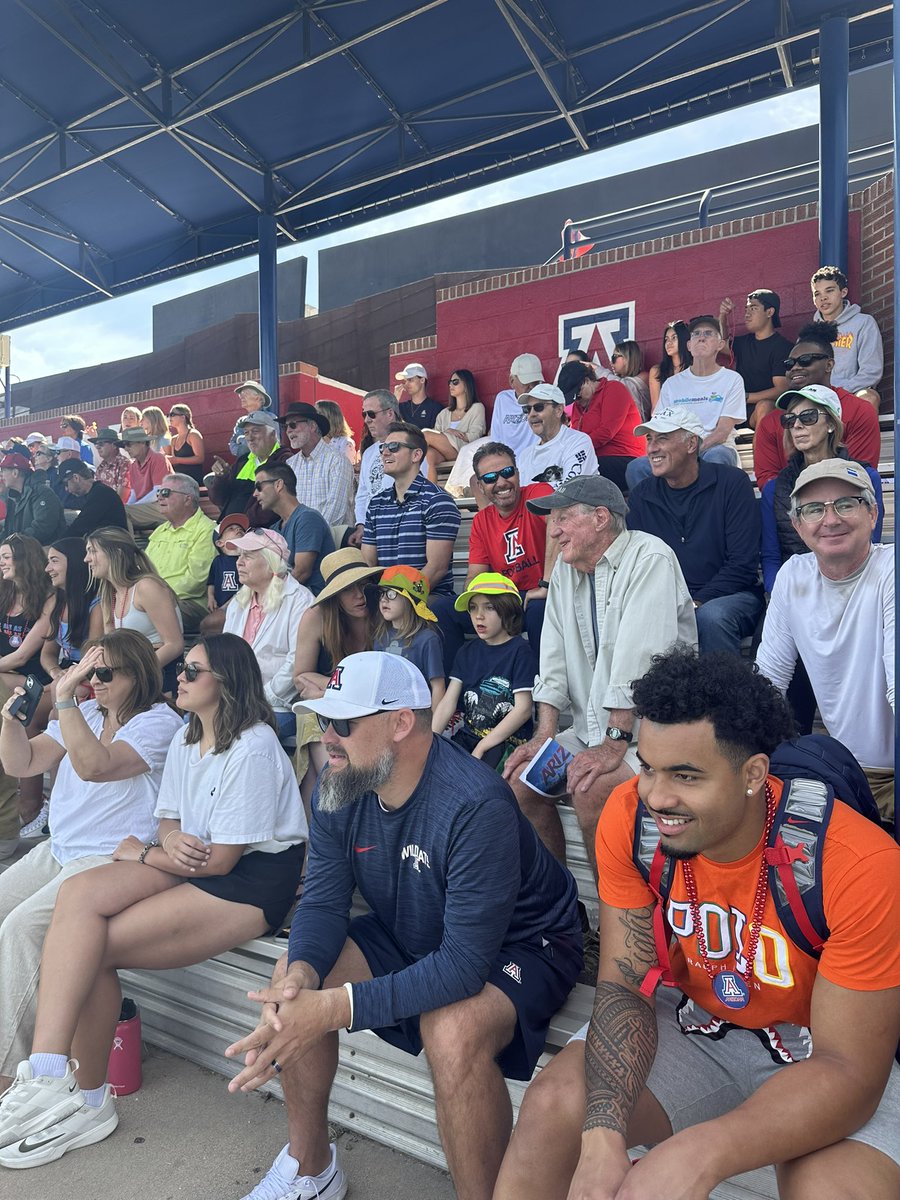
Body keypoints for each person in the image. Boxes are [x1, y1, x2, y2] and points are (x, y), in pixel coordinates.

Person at [493, 648, 900, 1200]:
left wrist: (700, 1152)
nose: (658, 797)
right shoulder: (633, 821)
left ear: (754, 773)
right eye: (649, 767)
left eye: (686, 775)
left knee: (838, 1190)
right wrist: (602, 1135)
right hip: (697, 1020)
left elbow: (849, 1069)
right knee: (552, 1112)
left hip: (821, 1048)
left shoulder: (856, 863)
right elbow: (622, 983)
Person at [223, 651, 582, 1200]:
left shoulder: (473, 802)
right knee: (295, 979)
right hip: (419, 924)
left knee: (452, 1030)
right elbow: (320, 902)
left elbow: (462, 966)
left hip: (526, 942)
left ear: (401, 722)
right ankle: (310, 1168)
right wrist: (299, 979)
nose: (328, 738)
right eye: (323, 720)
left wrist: (334, 1008)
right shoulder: (339, 784)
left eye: (343, 723)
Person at [0, 635, 308, 1169]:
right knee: (79, 904)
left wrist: (146, 854)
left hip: (249, 884)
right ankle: (56, 1075)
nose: (180, 678)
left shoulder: (253, 745)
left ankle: (84, 1095)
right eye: (182, 669)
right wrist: (162, 841)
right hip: (183, 856)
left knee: (87, 942)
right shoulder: (189, 737)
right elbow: (170, 819)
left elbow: (221, 863)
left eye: (192, 671)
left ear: (227, 682)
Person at [0, 632, 184, 1093]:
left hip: (108, 859)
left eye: (104, 673)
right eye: (88, 671)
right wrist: (9, 723)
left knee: (21, 929)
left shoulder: (158, 723)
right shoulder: (82, 712)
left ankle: (10, 1076)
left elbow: (95, 765)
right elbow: (22, 764)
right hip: (59, 849)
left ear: (137, 674)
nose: (93, 683)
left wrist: (63, 698)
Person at [501, 476, 696, 881]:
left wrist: (614, 743)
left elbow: (638, 662)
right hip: (596, 729)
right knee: (521, 784)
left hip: (653, 735)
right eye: (552, 520)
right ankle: (563, 913)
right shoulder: (566, 571)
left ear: (601, 518)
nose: (552, 531)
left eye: (563, 518)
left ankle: (615, 919)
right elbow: (551, 657)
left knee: (591, 790)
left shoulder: (649, 557)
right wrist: (545, 734)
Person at [755, 459, 895, 822]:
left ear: (873, 513)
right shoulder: (793, 576)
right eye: (814, 509)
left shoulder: (891, 569)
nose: (830, 520)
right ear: (799, 526)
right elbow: (767, 680)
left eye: (846, 504)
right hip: (842, 773)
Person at [627, 407, 764, 656]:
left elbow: (742, 565)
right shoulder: (641, 495)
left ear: (691, 444)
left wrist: (695, 602)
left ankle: (724, 695)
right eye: (649, 439)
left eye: (662, 438)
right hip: (669, 599)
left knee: (711, 617)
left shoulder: (732, 483)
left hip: (731, 595)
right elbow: (638, 565)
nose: (652, 448)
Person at [761, 384, 883, 594]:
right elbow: (771, 557)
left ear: (831, 424)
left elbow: (871, 544)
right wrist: (781, 598)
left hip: (854, 590)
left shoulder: (866, 478)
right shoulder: (774, 488)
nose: (797, 426)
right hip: (796, 591)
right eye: (790, 420)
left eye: (808, 417)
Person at [361, 422, 462, 674]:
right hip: (386, 595)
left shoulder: (438, 501)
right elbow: (368, 564)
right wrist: (385, 597)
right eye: (383, 447)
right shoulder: (376, 504)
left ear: (417, 455)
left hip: (427, 595)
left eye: (393, 447)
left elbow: (436, 569)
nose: (385, 452)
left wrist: (400, 599)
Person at [752, 320, 882, 488]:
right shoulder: (771, 422)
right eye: (789, 364)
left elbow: (860, 473)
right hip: (789, 506)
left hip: (845, 502)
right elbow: (768, 481)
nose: (795, 367)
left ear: (829, 365)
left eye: (805, 360)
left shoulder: (859, 410)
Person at [627, 315, 745, 490]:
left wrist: (690, 454)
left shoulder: (731, 379)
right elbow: (658, 426)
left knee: (718, 457)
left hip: (713, 448)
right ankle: (659, 515)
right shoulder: (672, 384)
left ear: (720, 345)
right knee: (636, 468)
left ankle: (708, 515)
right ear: (689, 345)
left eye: (709, 333)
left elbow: (722, 432)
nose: (701, 337)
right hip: (675, 450)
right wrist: (675, 453)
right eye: (696, 334)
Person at [432, 573, 536, 769]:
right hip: (469, 736)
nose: (479, 615)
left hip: (505, 742)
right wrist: (431, 741)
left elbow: (523, 710)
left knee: (481, 779)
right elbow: (448, 701)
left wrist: (482, 746)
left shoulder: (520, 651)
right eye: (473, 608)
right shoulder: (467, 651)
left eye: (489, 607)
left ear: (509, 611)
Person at [223, 528, 313, 744]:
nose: (239, 562)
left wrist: (261, 699)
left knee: (239, 736)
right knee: (192, 723)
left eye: (248, 556)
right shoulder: (238, 601)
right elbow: (223, 654)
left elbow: (295, 662)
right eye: (239, 556)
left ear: (272, 562)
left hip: (278, 706)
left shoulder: (300, 600)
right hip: (235, 701)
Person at [466, 442, 557, 651]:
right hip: (505, 598)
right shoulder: (481, 521)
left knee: (537, 610)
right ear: (480, 486)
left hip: (546, 591)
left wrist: (546, 585)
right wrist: (484, 602)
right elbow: (474, 576)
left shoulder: (537, 492)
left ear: (517, 473)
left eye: (507, 472)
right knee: (443, 611)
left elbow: (556, 520)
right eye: (490, 478)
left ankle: (540, 679)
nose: (501, 482)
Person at [0, 534, 55, 831]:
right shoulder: (4, 593)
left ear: (25, 560)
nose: (1, 563)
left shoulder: (48, 598)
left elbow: (22, 656)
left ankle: (31, 807)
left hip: (35, 681)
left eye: (7, 557)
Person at [86, 528, 184, 694]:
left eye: (92, 551)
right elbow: (111, 646)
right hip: (128, 672)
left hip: (160, 673)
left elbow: (175, 644)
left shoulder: (146, 587)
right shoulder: (110, 593)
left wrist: (135, 674)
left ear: (115, 554)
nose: (86, 559)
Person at [292, 548, 380, 702]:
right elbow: (301, 677)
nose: (359, 595)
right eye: (347, 589)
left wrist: (329, 691)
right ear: (334, 596)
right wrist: (344, 690)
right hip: (331, 705)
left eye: (363, 585)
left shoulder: (385, 610)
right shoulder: (315, 617)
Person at [348, 390, 426, 547]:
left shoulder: (411, 445)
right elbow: (363, 494)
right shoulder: (370, 452)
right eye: (364, 415)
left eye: (371, 414)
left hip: (403, 530)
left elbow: (421, 488)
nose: (367, 420)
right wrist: (362, 525)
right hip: (372, 532)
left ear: (390, 413)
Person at [145, 474, 216, 632]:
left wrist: (156, 597)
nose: (159, 498)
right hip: (153, 599)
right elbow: (142, 569)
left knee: (144, 616)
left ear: (187, 499)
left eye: (166, 493)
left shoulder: (206, 530)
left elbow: (195, 582)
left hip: (187, 603)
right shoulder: (160, 531)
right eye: (159, 493)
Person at [557, 361, 643, 491]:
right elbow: (575, 436)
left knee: (583, 471)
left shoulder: (614, 388)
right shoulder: (578, 406)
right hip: (594, 458)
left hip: (626, 457)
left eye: (578, 393)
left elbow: (606, 431)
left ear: (587, 380)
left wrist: (577, 448)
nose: (576, 399)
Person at [253, 461, 334, 594]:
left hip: (312, 602)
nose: (255, 494)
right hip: (287, 599)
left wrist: (266, 597)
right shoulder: (274, 529)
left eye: (259, 486)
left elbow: (302, 573)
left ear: (278, 485)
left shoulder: (307, 518)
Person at [718, 288, 792, 427]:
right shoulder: (744, 342)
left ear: (770, 312)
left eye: (753, 308)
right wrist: (723, 316)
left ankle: (760, 449)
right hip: (738, 410)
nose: (747, 314)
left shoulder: (782, 347)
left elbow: (781, 389)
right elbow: (721, 345)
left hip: (765, 410)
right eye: (746, 309)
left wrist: (746, 397)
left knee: (764, 406)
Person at [812, 265, 883, 408]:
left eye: (829, 290)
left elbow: (871, 372)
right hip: (817, 397)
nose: (823, 298)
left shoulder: (863, 322)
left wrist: (838, 393)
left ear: (843, 292)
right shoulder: (810, 332)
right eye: (817, 294)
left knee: (869, 397)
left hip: (850, 394)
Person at [373, 565, 445, 704]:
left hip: (417, 712)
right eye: (382, 593)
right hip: (386, 710)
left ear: (410, 600)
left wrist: (433, 725)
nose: (384, 599)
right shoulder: (380, 636)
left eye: (391, 594)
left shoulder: (427, 639)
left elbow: (438, 687)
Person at [208, 411, 292, 528]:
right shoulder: (243, 461)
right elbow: (218, 500)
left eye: (255, 431)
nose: (250, 438)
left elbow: (274, 506)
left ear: (272, 434)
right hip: (231, 531)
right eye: (246, 433)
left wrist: (242, 527)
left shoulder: (284, 461)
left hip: (259, 534)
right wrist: (221, 477)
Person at [278, 402, 354, 530]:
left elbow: (335, 511)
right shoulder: (290, 464)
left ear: (312, 426)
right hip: (300, 539)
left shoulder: (338, 461)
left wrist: (310, 536)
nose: (288, 430)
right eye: (285, 426)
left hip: (332, 541)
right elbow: (286, 508)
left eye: (293, 424)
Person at [39, 537, 103, 685]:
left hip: (88, 674)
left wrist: (66, 677)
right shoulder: (59, 602)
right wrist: (55, 671)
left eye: (54, 561)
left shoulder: (96, 604)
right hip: (64, 672)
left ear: (74, 563)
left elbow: (93, 654)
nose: (47, 568)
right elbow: (47, 653)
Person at [515, 383, 598, 490]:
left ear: (558, 410)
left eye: (538, 407)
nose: (531, 414)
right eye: (527, 409)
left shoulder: (578, 442)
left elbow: (570, 491)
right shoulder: (524, 456)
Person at [422, 368, 486, 482]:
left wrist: (451, 434)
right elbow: (437, 437)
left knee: (424, 434)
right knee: (429, 455)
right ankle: (430, 495)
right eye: (449, 382)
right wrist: (449, 431)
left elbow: (475, 436)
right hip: (444, 451)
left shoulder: (477, 407)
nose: (451, 385)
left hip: (462, 449)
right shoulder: (444, 413)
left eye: (455, 382)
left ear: (466, 385)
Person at [0, 451, 66, 544]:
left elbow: (42, 528)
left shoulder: (41, 493)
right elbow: (8, 531)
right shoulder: (13, 497)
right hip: (21, 551)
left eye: (3, 470)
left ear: (15, 473)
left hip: (43, 552)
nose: (1, 475)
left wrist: (13, 544)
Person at [488, 352, 543, 461]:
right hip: (508, 463)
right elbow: (496, 438)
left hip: (534, 460)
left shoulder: (544, 399)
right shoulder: (503, 399)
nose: (531, 387)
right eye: (526, 382)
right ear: (512, 381)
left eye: (535, 382)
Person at [202, 514, 248, 636]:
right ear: (220, 542)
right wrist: (211, 597)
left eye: (241, 529)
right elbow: (211, 582)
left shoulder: (248, 559)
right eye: (231, 529)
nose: (238, 530)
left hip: (242, 605)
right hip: (221, 605)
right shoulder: (218, 561)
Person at [58, 460, 128, 538]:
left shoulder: (100, 494)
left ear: (76, 478)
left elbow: (80, 526)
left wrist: (56, 546)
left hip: (113, 544)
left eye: (66, 484)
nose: (66, 489)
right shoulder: (95, 492)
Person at [119, 428, 168, 529]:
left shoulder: (158, 459)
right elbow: (133, 494)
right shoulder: (132, 466)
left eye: (128, 444)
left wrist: (131, 507)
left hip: (165, 506)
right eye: (124, 446)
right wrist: (128, 506)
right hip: (148, 508)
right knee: (117, 512)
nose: (126, 449)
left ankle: (127, 545)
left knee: (120, 513)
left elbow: (158, 493)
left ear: (142, 442)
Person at [593, 340, 650, 421]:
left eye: (614, 357)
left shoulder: (644, 376)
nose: (610, 362)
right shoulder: (620, 380)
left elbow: (623, 387)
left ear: (627, 357)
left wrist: (597, 369)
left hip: (638, 428)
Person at [647, 320, 691, 413]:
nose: (668, 343)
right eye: (666, 339)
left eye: (674, 338)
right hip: (666, 421)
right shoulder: (657, 371)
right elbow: (655, 409)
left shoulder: (695, 368)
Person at [228, 380, 272, 458]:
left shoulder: (270, 418)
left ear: (258, 397)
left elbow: (272, 444)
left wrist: (241, 440)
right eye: (241, 395)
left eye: (246, 394)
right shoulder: (241, 421)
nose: (241, 397)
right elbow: (232, 445)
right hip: (245, 465)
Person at [393, 362, 443, 429]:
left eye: (410, 380)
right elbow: (387, 426)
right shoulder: (400, 407)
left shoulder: (435, 408)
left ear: (422, 380)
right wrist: (394, 400)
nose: (406, 384)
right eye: (405, 381)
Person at [166, 403, 205, 484]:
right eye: (169, 415)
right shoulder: (173, 439)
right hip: (178, 480)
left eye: (172, 414)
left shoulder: (193, 435)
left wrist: (176, 460)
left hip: (193, 480)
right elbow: (174, 462)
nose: (169, 418)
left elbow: (200, 458)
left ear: (183, 417)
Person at [88, 427, 130, 501]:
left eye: (101, 444)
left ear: (114, 445)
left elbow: (122, 498)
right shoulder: (101, 467)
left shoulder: (124, 464)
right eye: (96, 444)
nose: (97, 447)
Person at [315, 400, 357, 465]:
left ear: (329, 417)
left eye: (317, 413)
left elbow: (347, 471)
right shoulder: (315, 441)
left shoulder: (345, 443)